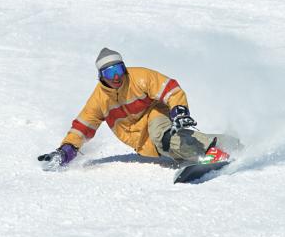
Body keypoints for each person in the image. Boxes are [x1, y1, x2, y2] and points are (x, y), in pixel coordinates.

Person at [38, 48, 241, 170]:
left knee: (164, 137)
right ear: (101, 76)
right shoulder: (99, 100)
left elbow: (171, 89)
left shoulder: (140, 77)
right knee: (166, 147)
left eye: (118, 69)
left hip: (156, 113)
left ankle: (210, 153)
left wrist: (179, 111)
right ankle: (229, 143)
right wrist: (64, 152)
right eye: (110, 73)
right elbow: (81, 128)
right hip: (142, 142)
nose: (116, 77)